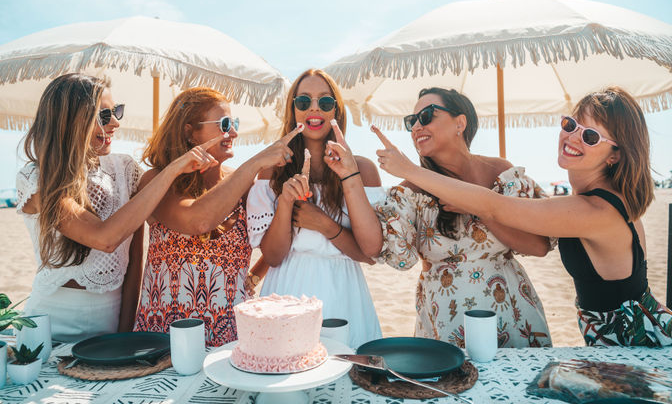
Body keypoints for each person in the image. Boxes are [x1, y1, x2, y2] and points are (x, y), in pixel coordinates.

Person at [373, 86, 672, 347]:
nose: (573, 137)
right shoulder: (596, 201)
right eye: (570, 125)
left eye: (590, 136)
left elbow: (494, 207)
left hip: (638, 343)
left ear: (615, 155)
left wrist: (409, 170)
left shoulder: (594, 210)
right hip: (623, 338)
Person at [16, 74, 217, 342]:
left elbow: (134, 260)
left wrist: (124, 330)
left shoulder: (125, 169)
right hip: (51, 321)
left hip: (111, 318)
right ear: (70, 121)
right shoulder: (37, 177)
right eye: (104, 115)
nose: (116, 123)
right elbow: (105, 238)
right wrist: (171, 171)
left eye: (117, 111)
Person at [373, 87, 553, 348]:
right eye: (411, 122)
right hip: (447, 319)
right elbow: (400, 260)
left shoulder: (500, 172)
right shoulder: (411, 191)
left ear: (460, 122)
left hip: (512, 313)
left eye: (426, 116)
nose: (415, 127)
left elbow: (538, 247)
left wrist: (478, 207)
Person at [132, 87, 300, 347]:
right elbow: (197, 221)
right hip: (163, 337)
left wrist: (254, 277)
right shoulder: (156, 181)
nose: (233, 132)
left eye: (234, 123)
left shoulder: (246, 186)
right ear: (190, 132)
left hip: (231, 337)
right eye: (224, 124)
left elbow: (273, 246)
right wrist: (255, 162)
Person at [246, 69, 383, 348]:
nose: (314, 109)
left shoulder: (363, 169)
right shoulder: (272, 171)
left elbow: (370, 255)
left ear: (337, 110)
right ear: (292, 109)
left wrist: (324, 224)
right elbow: (272, 256)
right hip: (286, 292)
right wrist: (286, 203)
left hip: (345, 293)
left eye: (325, 102)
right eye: (303, 102)